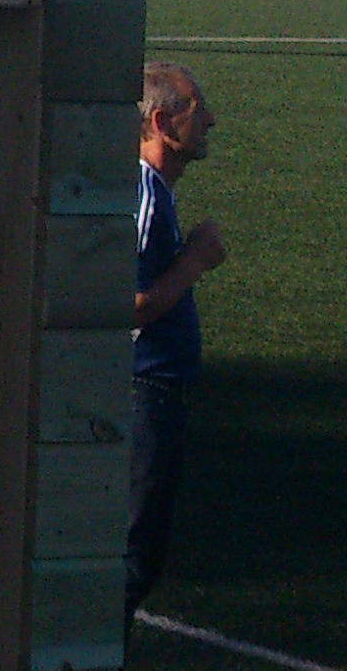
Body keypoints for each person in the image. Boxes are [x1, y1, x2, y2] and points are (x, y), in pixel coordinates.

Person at [129, 58, 227, 623]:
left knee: (137, 557)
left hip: (155, 393)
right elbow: (127, 302)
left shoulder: (155, 193)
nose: (209, 120)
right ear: (163, 123)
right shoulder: (144, 199)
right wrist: (195, 261)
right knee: (131, 560)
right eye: (198, 109)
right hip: (143, 392)